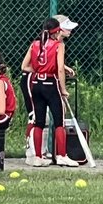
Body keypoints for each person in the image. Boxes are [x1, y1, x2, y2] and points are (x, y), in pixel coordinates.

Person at [20, 17, 80, 166]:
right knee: (59, 121)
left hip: (36, 84)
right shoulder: (58, 45)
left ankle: (38, 157)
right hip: (50, 84)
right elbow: (59, 69)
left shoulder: (34, 44)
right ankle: (61, 155)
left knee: (39, 122)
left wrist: (39, 71)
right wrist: (63, 89)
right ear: (56, 30)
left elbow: (24, 66)